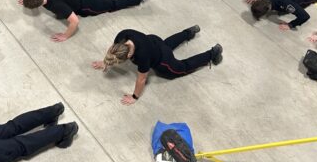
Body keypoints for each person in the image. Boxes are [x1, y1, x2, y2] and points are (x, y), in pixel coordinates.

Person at [92, 26, 223, 104]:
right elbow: (113, 50)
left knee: (180, 68)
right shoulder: (122, 36)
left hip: (162, 58)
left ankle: (213, 53)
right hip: (153, 40)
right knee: (165, 44)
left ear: (128, 56)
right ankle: (189, 31)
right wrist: (105, 62)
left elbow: (142, 79)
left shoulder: (142, 56)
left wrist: (134, 97)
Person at [19, 0, 151, 42]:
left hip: (86, 3)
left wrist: (65, 35)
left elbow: (75, 21)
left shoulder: (56, 5)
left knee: (111, 4)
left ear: (38, 6)